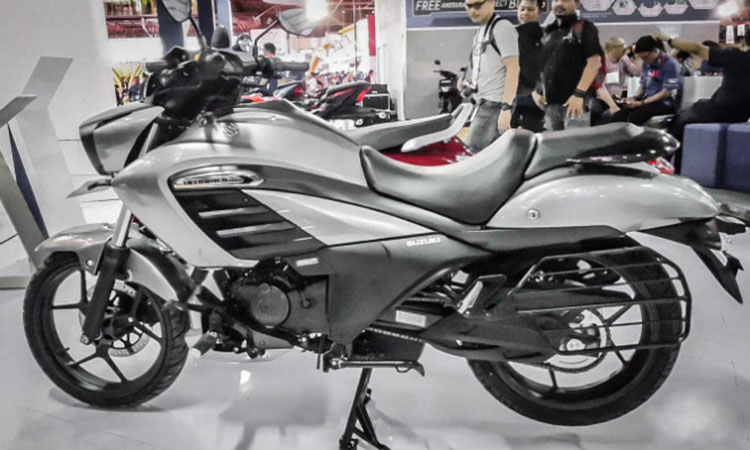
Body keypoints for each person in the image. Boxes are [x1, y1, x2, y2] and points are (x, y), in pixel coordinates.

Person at [654, 33, 750, 144]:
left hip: (720, 111)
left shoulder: (736, 57)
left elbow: (697, 48)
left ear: (745, 41)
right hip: (741, 115)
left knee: (677, 123)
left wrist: (668, 39)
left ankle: (673, 153)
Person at [533, 0, 603, 131]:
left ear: (577, 3)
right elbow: (541, 65)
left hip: (576, 103)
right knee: (553, 143)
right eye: (555, 0)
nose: (559, 3)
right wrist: (536, 91)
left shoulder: (585, 28)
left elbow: (594, 63)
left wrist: (579, 94)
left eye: (565, 0)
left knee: (575, 143)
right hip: (551, 106)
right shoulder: (548, 32)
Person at [462, 0, 520, 152]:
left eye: (478, 5)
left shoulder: (502, 28)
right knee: (489, 155)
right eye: (468, 6)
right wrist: (469, 82)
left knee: (471, 153)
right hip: (484, 103)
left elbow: (513, 69)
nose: (472, 11)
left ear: (492, 2)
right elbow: (490, 68)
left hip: (495, 104)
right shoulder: (481, 30)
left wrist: (506, 108)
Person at [607, 35, 682, 125]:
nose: (644, 61)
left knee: (634, 118)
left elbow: (666, 93)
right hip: (648, 101)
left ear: (655, 50)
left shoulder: (670, 64)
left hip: (665, 103)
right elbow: (643, 86)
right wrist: (633, 98)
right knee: (618, 117)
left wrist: (642, 103)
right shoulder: (647, 64)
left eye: (645, 57)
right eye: (642, 58)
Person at [512, 0, 545, 132]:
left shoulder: (545, 38)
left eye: (530, 9)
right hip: (508, 100)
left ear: (539, 12)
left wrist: (537, 91)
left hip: (535, 103)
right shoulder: (508, 35)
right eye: (522, 9)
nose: (525, 13)